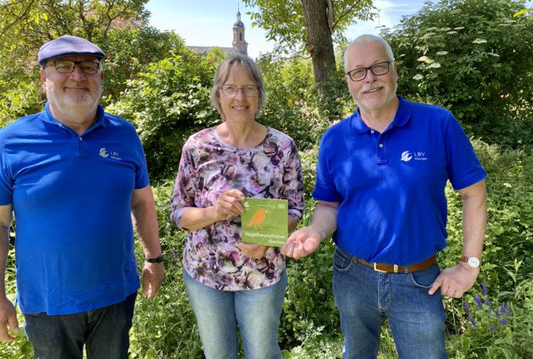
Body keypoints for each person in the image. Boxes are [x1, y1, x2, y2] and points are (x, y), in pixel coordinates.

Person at [281, 34, 487, 359]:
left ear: (394, 70)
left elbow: (474, 194)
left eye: (378, 67)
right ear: (348, 81)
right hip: (352, 275)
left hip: (418, 280)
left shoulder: (438, 124)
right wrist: (315, 231)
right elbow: (328, 205)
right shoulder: (334, 139)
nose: (370, 79)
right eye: (358, 72)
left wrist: (469, 264)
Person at [0, 35, 164, 359]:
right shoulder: (10, 141)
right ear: (44, 78)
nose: (78, 75)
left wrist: (154, 258)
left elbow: (142, 201)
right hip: (48, 304)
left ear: (101, 78)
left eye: (89, 67)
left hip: (116, 297)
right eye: (63, 66)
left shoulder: (125, 134)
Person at [170, 54, 304, 359]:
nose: (239, 97)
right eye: (230, 88)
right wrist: (214, 211)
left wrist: (267, 238)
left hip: (262, 274)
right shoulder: (197, 146)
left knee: (263, 353)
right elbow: (178, 213)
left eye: (248, 88)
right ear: (219, 95)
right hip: (206, 274)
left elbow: (296, 209)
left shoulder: (282, 147)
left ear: (259, 93)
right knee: (217, 354)